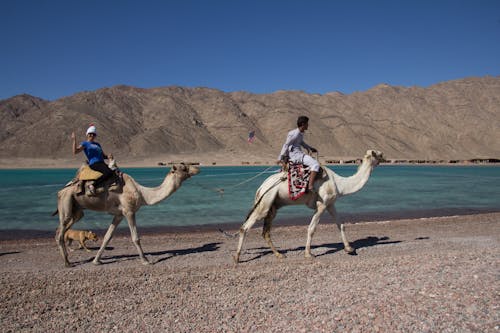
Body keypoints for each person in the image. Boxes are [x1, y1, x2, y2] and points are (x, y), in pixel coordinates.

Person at [277, 116, 320, 191]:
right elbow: (286, 145)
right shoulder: (295, 134)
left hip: (299, 154)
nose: (308, 125)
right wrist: (280, 158)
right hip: (296, 156)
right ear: (303, 124)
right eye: (307, 124)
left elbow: (301, 143)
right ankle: (310, 186)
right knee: (315, 164)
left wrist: (309, 148)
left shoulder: (300, 133)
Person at [72, 124, 114, 194]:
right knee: (108, 172)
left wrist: (108, 156)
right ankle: (93, 185)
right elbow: (75, 151)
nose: (92, 135)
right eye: (90, 134)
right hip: (94, 164)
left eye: (94, 134)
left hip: (102, 163)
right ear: (87, 134)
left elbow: (103, 156)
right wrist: (74, 140)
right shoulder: (85, 144)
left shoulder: (98, 144)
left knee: (114, 172)